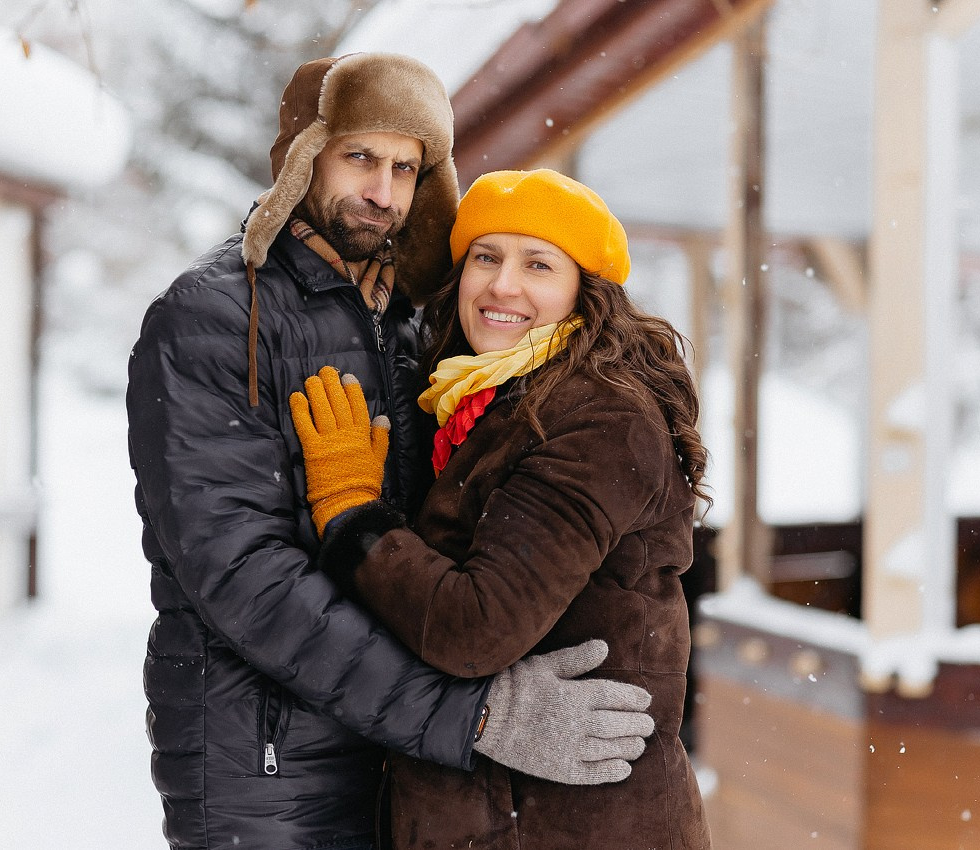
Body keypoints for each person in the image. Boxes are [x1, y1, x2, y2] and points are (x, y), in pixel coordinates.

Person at [127, 56, 655, 850]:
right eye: (360, 158)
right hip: (268, 767)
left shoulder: (413, 325)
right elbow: (244, 577)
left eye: (406, 168)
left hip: (403, 761)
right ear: (306, 155)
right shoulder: (211, 321)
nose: (383, 192)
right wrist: (464, 714)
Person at [289, 168, 714, 849]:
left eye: (538, 264)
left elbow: (476, 627)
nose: (502, 285)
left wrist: (350, 511)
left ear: (585, 290)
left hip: (570, 823)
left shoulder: (597, 415)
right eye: (485, 257)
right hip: (499, 810)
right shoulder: (483, 401)